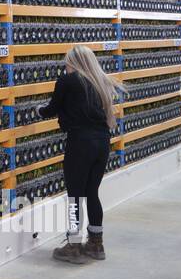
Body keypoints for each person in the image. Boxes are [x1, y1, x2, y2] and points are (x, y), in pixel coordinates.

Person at [39, 45, 122, 264]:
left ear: (73, 63)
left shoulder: (69, 81)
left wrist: (37, 110)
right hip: (102, 143)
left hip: (80, 143)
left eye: (67, 62)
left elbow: (52, 108)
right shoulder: (100, 81)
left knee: (75, 195)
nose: (65, 67)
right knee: (92, 192)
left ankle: (74, 245)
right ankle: (96, 244)